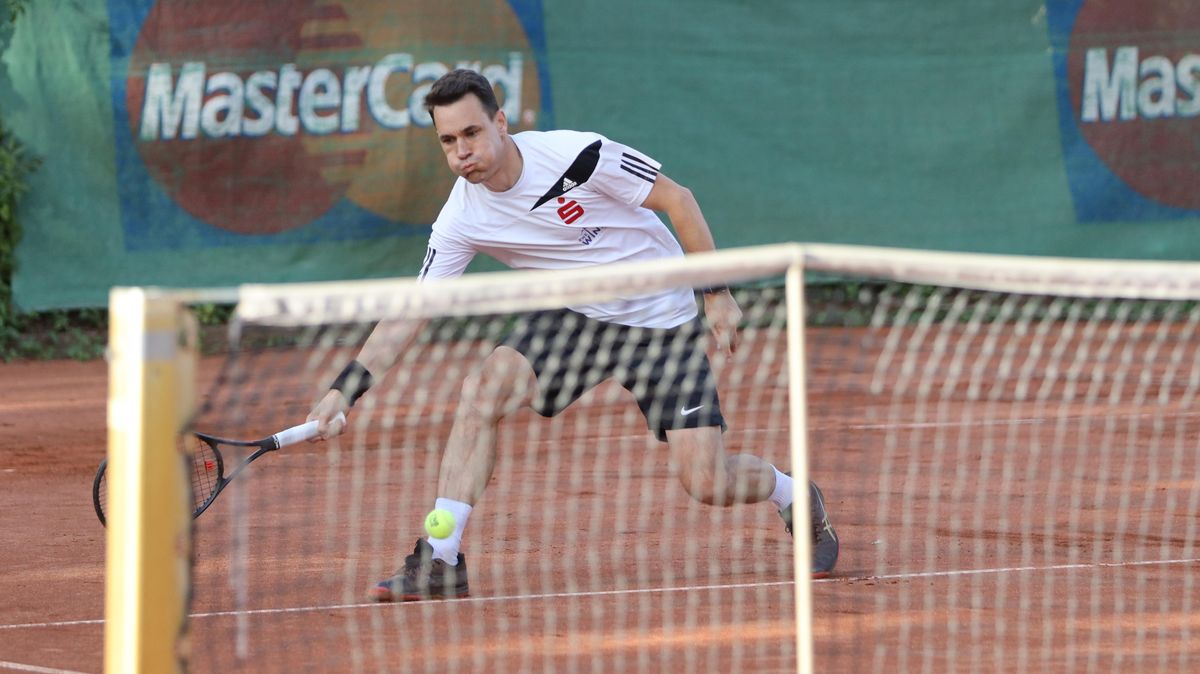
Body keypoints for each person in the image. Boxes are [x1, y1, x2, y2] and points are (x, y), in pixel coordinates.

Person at [307, 69, 838, 601]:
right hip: (576, 315)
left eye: (471, 133)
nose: (462, 151)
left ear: (500, 122)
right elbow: (411, 312)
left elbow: (679, 199)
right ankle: (442, 558)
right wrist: (342, 392)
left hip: (661, 320)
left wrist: (716, 294)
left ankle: (793, 493)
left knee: (708, 482)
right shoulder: (460, 219)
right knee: (482, 390)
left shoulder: (577, 156)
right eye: (448, 140)